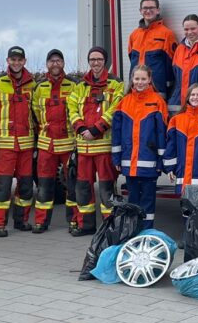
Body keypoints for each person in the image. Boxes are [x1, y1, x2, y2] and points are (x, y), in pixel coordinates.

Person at [0, 46, 37, 237]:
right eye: (13, 59)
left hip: (27, 144)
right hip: (5, 144)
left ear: (24, 61)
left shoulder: (32, 85)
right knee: (2, 186)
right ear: (8, 61)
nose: (16, 63)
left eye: (19, 59)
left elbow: (38, 113)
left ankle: (21, 220)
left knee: (26, 185)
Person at [67, 46, 124, 236]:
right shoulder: (80, 86)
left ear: (105, 61)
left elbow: (115, 109)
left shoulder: (116, 84)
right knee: (83, 189)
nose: (96, 63)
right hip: (84, 148)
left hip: (104, 148)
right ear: (88, 61)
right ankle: (86, 225)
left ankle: (109, 228)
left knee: (107, 189)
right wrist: (82, 128)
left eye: (99, 59)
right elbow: (72, 108)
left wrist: (95, 129)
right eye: (92, 59)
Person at [112, 65, 169, 230]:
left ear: (150, 79)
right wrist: (116, 158)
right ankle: (132, 231)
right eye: (137, 79)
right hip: (129, 163)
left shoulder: (158, 102)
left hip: (149, 163)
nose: (140, 82)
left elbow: (162, 135)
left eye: (143, 79)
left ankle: (146, 231)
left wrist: (161, 162)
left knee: (148, 202)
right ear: (132, 80)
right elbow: (116, 134)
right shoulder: (124, 103)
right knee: (133, 200)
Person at [31, 49, 78, 233]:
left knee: (72, 187)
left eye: (58, 60)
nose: (55, 64)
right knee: (44, 187)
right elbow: (34, 113)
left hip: (68, 145)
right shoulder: (39, 87)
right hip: (46, 146)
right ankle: (41, 222)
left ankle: (74, 221)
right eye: (52, 61)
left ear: (63, 63)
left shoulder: (73, 86)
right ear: (47, 64)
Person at [128, 0, 178, 96]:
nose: (148, 11)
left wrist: (168, 89)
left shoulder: (166, 34)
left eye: (151, 8)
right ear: (140, 11)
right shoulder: (134, 35)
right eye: (145, 8)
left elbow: (171, 65)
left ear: (158, 10)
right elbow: (131, 60)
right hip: (135, 91)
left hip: (157, 90)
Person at [169, 14, 198, 114]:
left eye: (193, 28)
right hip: (179, 102)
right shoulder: (179, 49)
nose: (189, 32)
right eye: (186, 29)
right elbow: (175, 75)